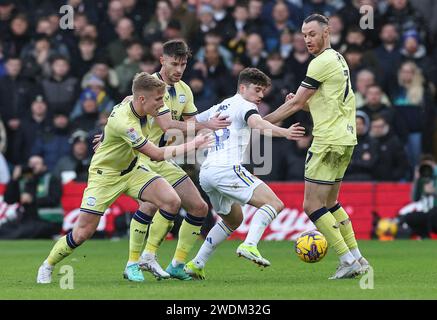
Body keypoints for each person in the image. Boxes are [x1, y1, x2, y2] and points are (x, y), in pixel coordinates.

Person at [36, 72, 212, 284]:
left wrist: (107, 135)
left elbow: (145, 114)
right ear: (142, 99)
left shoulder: (142, 103)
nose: (161, 103)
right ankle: (47, 265)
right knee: (83, 232)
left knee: (171, 201)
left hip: (133, 169)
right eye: (158, 100)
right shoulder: (125, 123)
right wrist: (193, 144)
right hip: (105, 176)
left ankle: (139, 261)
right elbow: (155, 154)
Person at [262, 14, 369, 279]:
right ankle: (357, 257)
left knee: (311, 205)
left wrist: (259, 122)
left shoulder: (319, 63)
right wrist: (303, 101)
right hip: (345, 139)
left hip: (326, 140)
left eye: (311, 33)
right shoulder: (338, 59)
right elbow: (330, 101)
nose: (306, 39)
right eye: (304, 34)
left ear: (327, 32)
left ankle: (346, 259)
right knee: (331, 202)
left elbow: (295, 105)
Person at [184, 67, 305, 279]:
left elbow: (190, 123)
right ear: (242, 87)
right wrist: (285, 132)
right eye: (257, 90)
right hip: (227, 169)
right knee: (275, 204)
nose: (260, 96)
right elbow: (258, 123)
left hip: (207, 174)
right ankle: (249, 244)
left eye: (262, 92)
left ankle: (196, 263)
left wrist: (288, 106)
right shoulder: (246, 105)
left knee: (233, 220)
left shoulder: (219, 107)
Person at [126, 40, 231, 281]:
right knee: (152, 205)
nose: (179, 69)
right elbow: (165, 124)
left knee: (199, 208)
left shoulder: (184, 90)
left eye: (183, 64)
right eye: (174, 63)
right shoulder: (150, 86)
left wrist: (215, 134)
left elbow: (191, 126)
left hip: (165, 158)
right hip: (142, 157)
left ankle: (176, 264)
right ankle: (136, 261)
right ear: (162, 60)